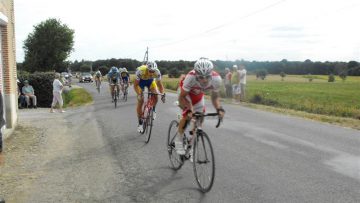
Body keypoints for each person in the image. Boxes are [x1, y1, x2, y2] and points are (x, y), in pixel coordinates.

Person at [175, 58, 225, 160]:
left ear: (211, 74)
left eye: (207, 77)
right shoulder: (190, 78)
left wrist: (219, 109)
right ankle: (178, 140)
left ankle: (190, 143)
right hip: (185, 95)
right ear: (196, 75)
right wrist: (188, 110)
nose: (204, 80)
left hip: (198, 96)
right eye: (201, 77)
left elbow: (214, 97)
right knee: (187, 116)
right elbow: (182, 97)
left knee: (199, 119)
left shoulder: (217, 80)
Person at [134, 61, 165, 132]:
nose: (151, 73)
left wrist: (163, 94)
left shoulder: (157, 72)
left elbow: (160, 85)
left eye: (153, 71)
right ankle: (140, 123)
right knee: (140, 100)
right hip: (140, 82)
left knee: (156, 95)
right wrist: (139, 94)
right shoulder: (141, 71)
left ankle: (153, 110)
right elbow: (135, 85)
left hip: (150, 82)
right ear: (147, 69)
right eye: (150, 71)